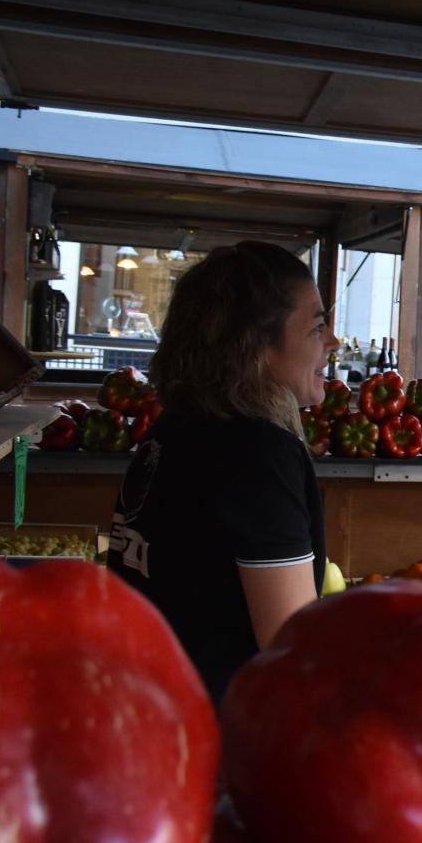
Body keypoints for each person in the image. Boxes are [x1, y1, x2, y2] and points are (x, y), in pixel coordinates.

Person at [108, 242, 339, 702]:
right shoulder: (258, 455)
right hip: (218, 734)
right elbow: (288, 647)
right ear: (256, 345)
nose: (332, 341)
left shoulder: (173, 432)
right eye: (316, 326)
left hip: (148, 711)